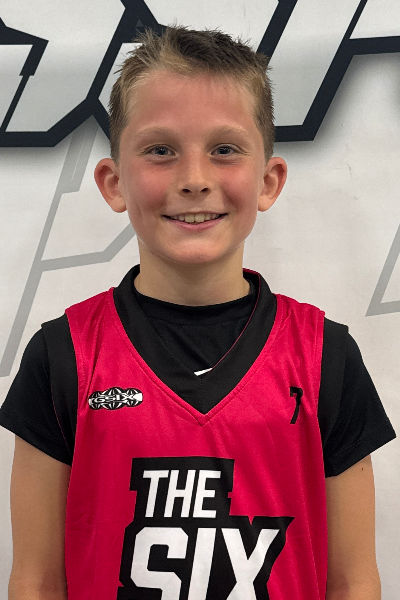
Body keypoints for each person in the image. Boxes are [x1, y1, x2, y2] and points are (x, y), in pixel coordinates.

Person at [1, 25, 396, 600]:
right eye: (160, 150)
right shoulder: (63, 355)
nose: (194, 180)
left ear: (268, 181)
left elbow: (354, 580)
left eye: (224, 150)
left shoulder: (323, 356)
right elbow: (35, 581)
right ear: (114, 182)